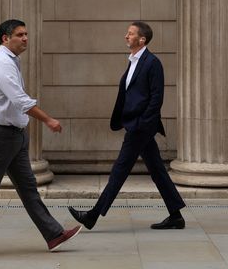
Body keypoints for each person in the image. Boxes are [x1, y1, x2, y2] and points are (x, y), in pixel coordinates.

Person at [0, 19, 81, 257]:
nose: (25, 39)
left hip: (13, 137)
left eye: (26, 34)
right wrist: (49, 120)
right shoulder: (2, 64)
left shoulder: (11, 61)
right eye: (20, 35)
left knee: (28, 188)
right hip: (0, 137)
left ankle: (53, 234)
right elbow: (21, 101)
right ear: (5, 38)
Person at [68, 21, 186, 230]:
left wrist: (142, 124)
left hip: (140, 127)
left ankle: (92, 216)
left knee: (120, 170)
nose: (126, 36)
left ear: (142, 39)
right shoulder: (133, 61)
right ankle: (176, 215)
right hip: (137, 125)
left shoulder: (152, 62)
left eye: (130, 34)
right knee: (157, 170)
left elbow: (156, 98)